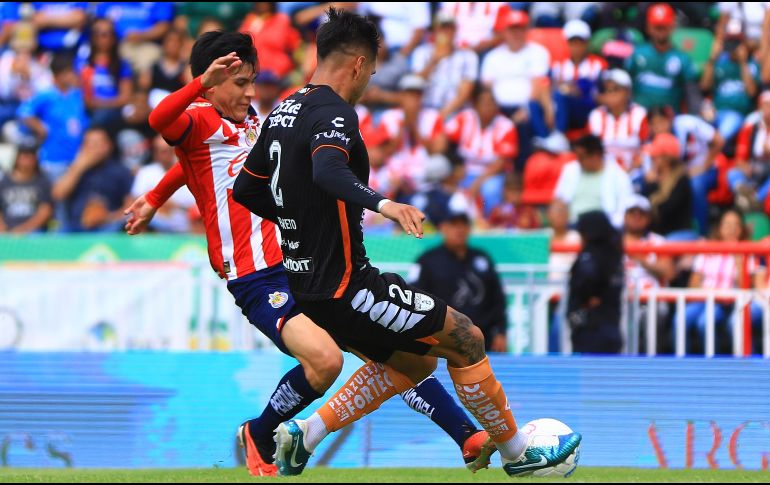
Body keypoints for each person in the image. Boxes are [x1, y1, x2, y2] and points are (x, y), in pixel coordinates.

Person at [123, 29, 493, 477]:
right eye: (239, 83)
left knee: (404, 356)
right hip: (256, 274)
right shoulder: (196, 117)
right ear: (211, 80)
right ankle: (260, 432)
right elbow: (161, 121)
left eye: (252, 80)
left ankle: (468, 438)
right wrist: (198, 88)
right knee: (325, 361)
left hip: (300, 263)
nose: (250, 91)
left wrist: (155, 197)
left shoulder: (251, 123)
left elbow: (197, 166)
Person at [233, 8, 581, 477]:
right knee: (465, 337)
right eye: (371, 72)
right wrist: (385, 205)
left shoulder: (284, 111)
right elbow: (327, 170)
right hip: (346, 285)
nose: (368, 83)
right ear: (358, 64)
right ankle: (519, 454)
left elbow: (248, 189)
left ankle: (304, 434)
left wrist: (301, 219)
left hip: (309, 287)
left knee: (413, 364)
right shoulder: (335, 111)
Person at [409, 204, 509, 352]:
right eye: (454, 225)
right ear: (443, 228)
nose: (459, 230)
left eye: (463, 225)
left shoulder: (482, 258)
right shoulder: (427, 261)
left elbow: (497, 298)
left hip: (483, 338)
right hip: (442, 339)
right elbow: (414, 298)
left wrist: (501, 332)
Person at [51, 126, 133, 232]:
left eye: (98, 144)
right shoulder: (75, 168)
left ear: (109, 145)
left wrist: (106, 218)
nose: (94, 148)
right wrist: (78, 167)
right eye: (89, 144)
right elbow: (58, 195)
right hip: (74, 227)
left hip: (108, 226)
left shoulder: (121, 171)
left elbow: (130, 206)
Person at [624, 3, 700, 113]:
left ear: (672, 27)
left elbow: (692, 95)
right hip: (639, 118)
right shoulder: (637, 53)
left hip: (670, 120)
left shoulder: (682, 59)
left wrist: (696, 114)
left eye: (664, 26)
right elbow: (625, 86)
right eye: (656, 26)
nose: (660, 31)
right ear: (648, 27)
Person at [567, 210, 625, 354]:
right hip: (612, 325)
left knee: (589, 372)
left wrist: (584, 303)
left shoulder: (589, 257)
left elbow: (584, 285)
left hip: (591, 328)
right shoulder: (615, 255)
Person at [553, 134, 633, 228]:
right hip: (572, 224)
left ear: (596, 155)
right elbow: (559, 199)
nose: (578, 161)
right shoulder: (570, 170)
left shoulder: (619, 176)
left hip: (604, 227)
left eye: (582, 157)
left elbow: (625, 208)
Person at [410, 11, 478, 118]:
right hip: (426, 109)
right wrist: (434, 61)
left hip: (456, 112)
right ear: (435, 30)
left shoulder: (468, 55)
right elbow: (415, 84)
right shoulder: (421, 52)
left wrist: (442, 114)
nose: (446, 32)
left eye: (450, 28)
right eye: (443, 28)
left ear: (455, 31)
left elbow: (465, 92)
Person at [77, 18, 133, 129]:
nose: (100, 38)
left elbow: (125, 97)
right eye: (96, 34)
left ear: (113, 38)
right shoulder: (82, 62)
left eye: (105, 34)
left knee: (99, 117)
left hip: (110, 112)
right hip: (85, 108)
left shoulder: (121, 65)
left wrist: (99, 103)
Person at [642, 133, 695, 240]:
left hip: (679, 235)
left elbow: (666, 212)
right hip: (657, 236)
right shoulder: (652, 179)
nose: (652, 160)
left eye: (655, 157)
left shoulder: (681, 180)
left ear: (666, 159)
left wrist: (652, 185)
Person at [0, 142, 52, 234]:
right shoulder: (3, 182)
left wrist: (23, 230)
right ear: (17, 157)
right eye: (24, 155)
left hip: (34, 233)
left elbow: (45, 211)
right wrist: (3, 230)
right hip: (6, 232)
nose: (28, 160)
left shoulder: (43, 182)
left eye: (31, 156)